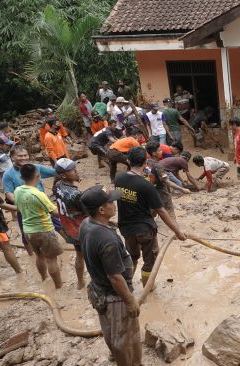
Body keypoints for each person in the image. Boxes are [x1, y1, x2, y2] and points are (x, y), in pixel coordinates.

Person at [79, 186, 141, 365]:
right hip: (116, 297)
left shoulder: (86, 223)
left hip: (99, 289)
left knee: (110, 331)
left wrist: (108, 225)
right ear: (101, 210)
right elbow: (115, 277)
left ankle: (115, 356)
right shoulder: (107, 240)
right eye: (110, 202)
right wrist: (129, 301)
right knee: (125, 340)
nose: (114, 205)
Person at [114, 147, 187, 286]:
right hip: (144, 229)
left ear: (128, 161)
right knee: (150, 261)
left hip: (126, 228)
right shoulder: (146, 186)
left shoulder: (119, 178)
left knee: (132, 257)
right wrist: (178, 231)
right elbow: (162, 211)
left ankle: (126, 286)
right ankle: (148, 288)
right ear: (146, 161)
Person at [15, 163, 65, 289]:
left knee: (39, 256)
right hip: (44, 230)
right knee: (52, 259)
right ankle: (59, 287)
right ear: (38, 176)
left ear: (21, 178)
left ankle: (44, 279)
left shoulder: (18, 190)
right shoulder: (38, 194)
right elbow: (55, 212)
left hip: (28, 231)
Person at [3, 145, 58, 256]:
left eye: (25, 155)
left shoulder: (35, 167)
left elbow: (55, 172)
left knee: (59, 225)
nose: (23, 158)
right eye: (20, 156)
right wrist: (21, 205)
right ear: (12, 157)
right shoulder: (8, 174)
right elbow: (9, 193)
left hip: (42, 204)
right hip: (25, 209)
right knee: (26, 234)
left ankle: (71, 242)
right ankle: (32, 256)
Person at [53, 158, 87, 289]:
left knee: (79, 254)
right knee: (91, 255)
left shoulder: (58, 185)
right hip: (80, 228)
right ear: (63, 175)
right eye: (73, 170)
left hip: (68, 226)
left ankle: (80, 282)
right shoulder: (75, 194)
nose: (76, 172)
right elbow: (88, 212)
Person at [144, 141, 190, 217]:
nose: (161, 151)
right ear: (154, 153)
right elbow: (167, 181)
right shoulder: (158, 166)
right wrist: (182, 189)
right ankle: (173, 225)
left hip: (150, 189)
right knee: (169, 210)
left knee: (153, 208)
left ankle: (149, 221)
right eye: (159, 150)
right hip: (160, 190)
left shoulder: (146, 162)